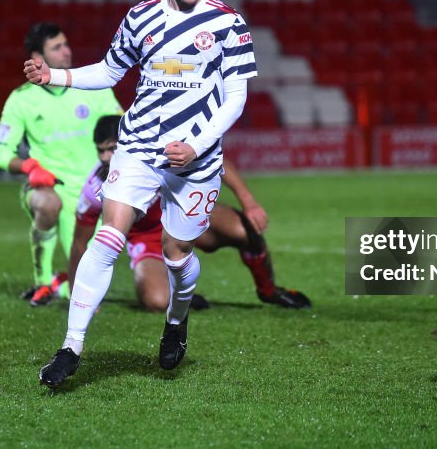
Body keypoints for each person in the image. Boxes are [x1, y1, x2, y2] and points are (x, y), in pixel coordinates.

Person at [26, 0, 256, 389]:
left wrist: (195, 143)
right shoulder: (141, 17)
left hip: (196, 160)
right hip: (139, 147)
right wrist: (56, 76)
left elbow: (235, 97)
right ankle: (70, 347)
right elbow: (110, 72)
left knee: (176, 255)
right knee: (108, 237)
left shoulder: (228, 24)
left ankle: (177, 319)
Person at [74, 115, 311, 311]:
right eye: (101, 151)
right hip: (149, 241)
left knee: (243, 229)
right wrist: (81, 297)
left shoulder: (160, 149)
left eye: (112, 149)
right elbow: (79, 244)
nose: (106, 157)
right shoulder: (96, 186)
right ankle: (179, 294)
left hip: (184, 214)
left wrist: (249, 202)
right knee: (157, 301)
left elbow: (216, 161)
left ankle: (269, 291)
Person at [0, 22, 123, 306]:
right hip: (51, 188)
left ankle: (173, 284)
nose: (67, 51)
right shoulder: (21, 100)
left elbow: (119, 129)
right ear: (38, 58)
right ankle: (42, 282)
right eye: (57, 47)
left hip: (95, 191)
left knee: (95, 282)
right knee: (46, 204)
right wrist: (29, 168)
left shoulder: (91, 85)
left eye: (66, 44)